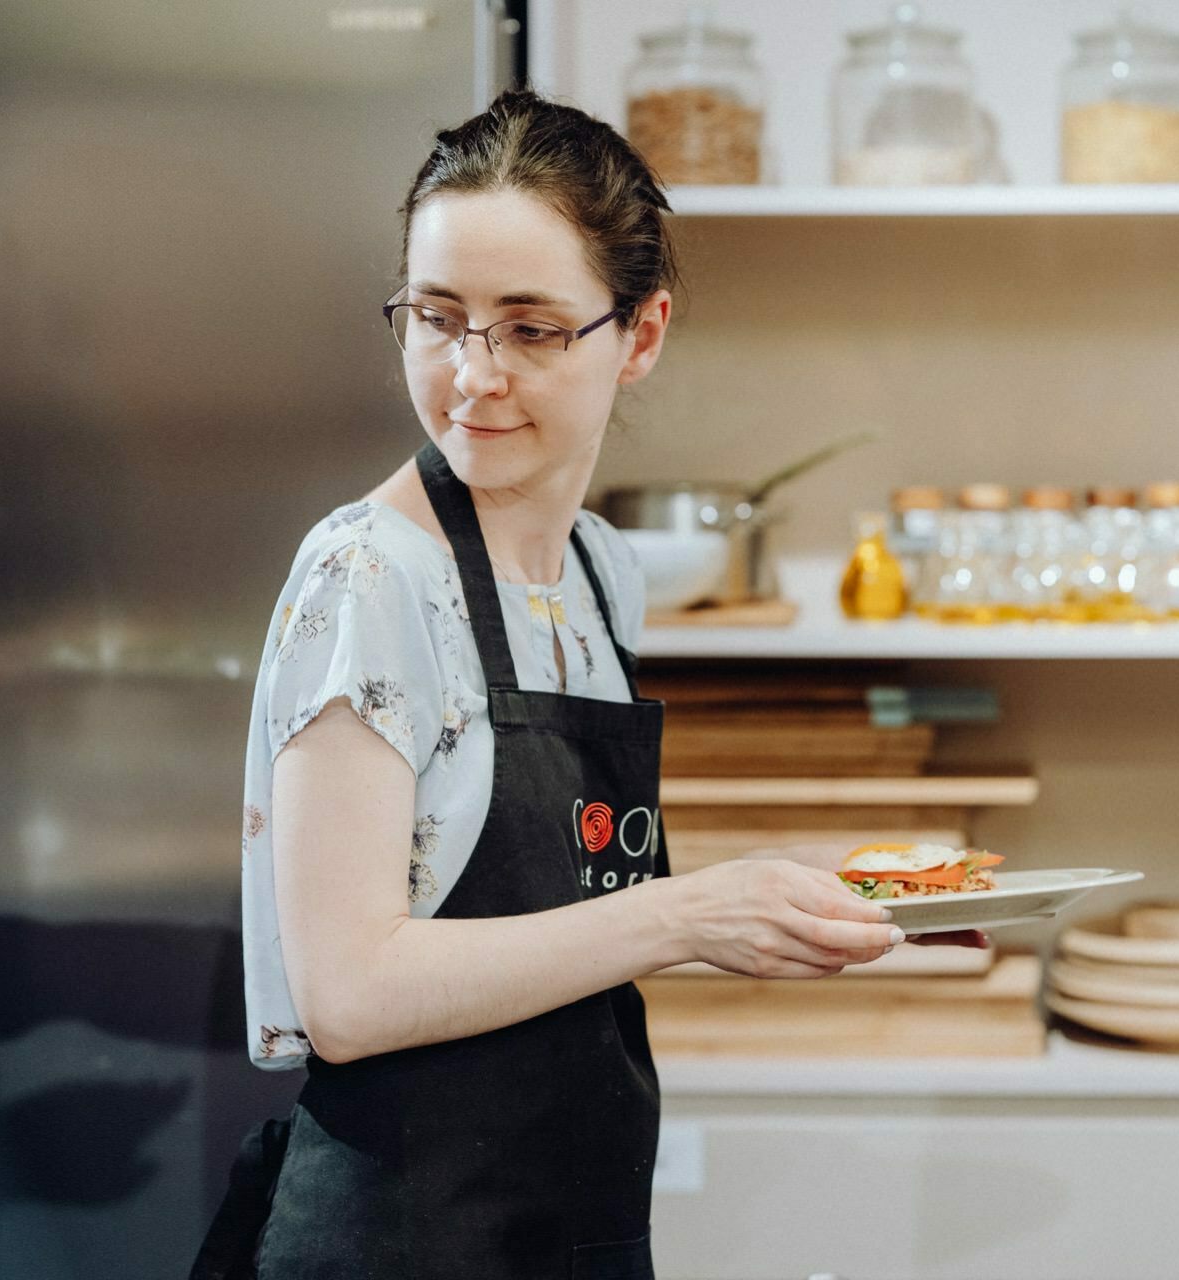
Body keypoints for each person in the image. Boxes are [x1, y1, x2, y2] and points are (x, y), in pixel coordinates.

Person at [193, 88, 979, 1280]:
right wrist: (688, 913)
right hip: (403, 1240)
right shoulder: (369, 577)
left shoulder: (601, 575)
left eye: (530, 326)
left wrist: (804, 898)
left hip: (569, 1221)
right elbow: (348, 991)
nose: (472, 375)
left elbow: (549, 912)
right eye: (439, 316)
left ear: (642, 333)